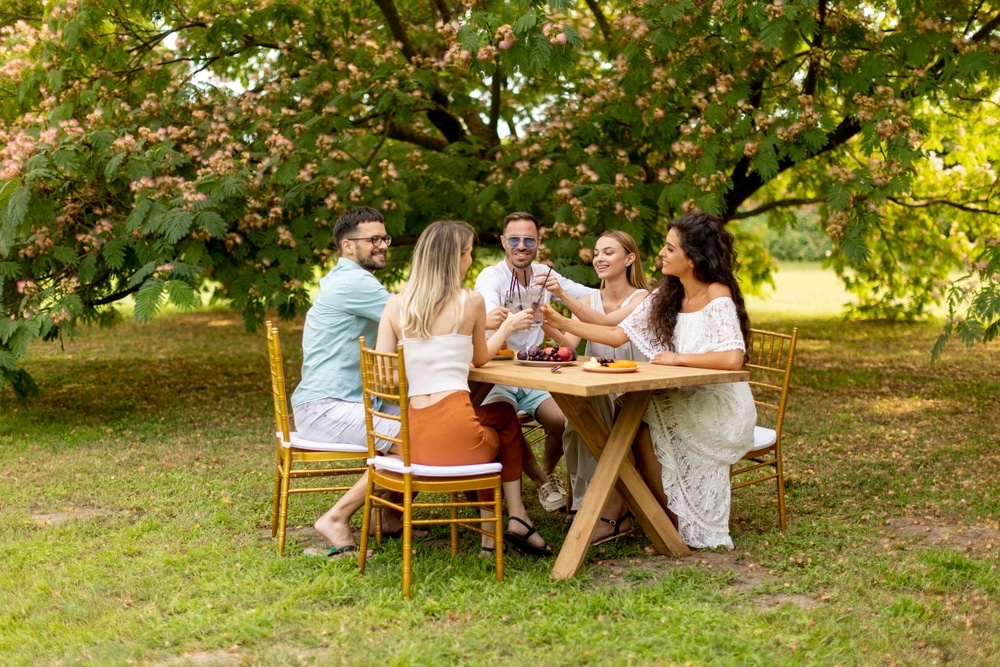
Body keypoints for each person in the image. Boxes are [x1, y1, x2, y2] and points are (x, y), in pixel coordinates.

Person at [542, 211, 756, 549]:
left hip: (718, 404)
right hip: (681, 395)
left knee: (633, 420)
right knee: (629, 415)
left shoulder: (717, 293)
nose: (662, 254)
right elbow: (614, 333)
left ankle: (646, 520)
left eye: (671, 249)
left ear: (693, 257)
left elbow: (732, 358)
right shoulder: (666, 294)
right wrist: (559, 321)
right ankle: (648, 518)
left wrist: (677, 358)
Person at [376, 220, 552, 556]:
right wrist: (510, 326)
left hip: (412, 442)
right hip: (458, 444)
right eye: (469, 253)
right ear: (455, 258)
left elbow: (386, 377)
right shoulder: (469, 301)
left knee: (499, 414)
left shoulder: (396, 305)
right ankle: (514, 517)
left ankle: (503, 525)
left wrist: (423, 365)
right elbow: (482, 358)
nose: (471, 260)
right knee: (503, 421)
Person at [290, 206, 410, 557]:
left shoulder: (348, 279)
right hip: (325, 408)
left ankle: (386, 518)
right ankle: (336, 518)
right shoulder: (355, 283)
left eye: (384, 238)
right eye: (373, 239)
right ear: (347, 246)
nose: (382, 245)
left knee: (428, 419)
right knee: (415, 437)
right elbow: (414, 319)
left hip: (340, 403)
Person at [474, 212, 592, 512]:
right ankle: (540, 482)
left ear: (538, 242)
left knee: (567, 422)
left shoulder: (546, 275)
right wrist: (510, 318)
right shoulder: (492, 276)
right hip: (498, 373)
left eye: (529, 239)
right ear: (503, 242)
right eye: (515, 239)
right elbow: (487, 316)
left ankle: (549, 472)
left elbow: (591, 298)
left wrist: (562, 300)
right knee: (506, 421)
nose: (522, 246)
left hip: (536, 372)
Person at [538, 230, 649, 530]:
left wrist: (561, 296)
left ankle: (600, 505)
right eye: (597, 252)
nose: (599, 258)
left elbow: (613, 330)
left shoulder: (643, 298)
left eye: (608, 252)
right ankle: (586, 502)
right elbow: (570, 345)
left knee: (586, 421)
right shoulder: (589, 298)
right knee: (577, 424)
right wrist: (544, 322)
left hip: (636, 389)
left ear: (629, 258)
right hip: (598, 383)